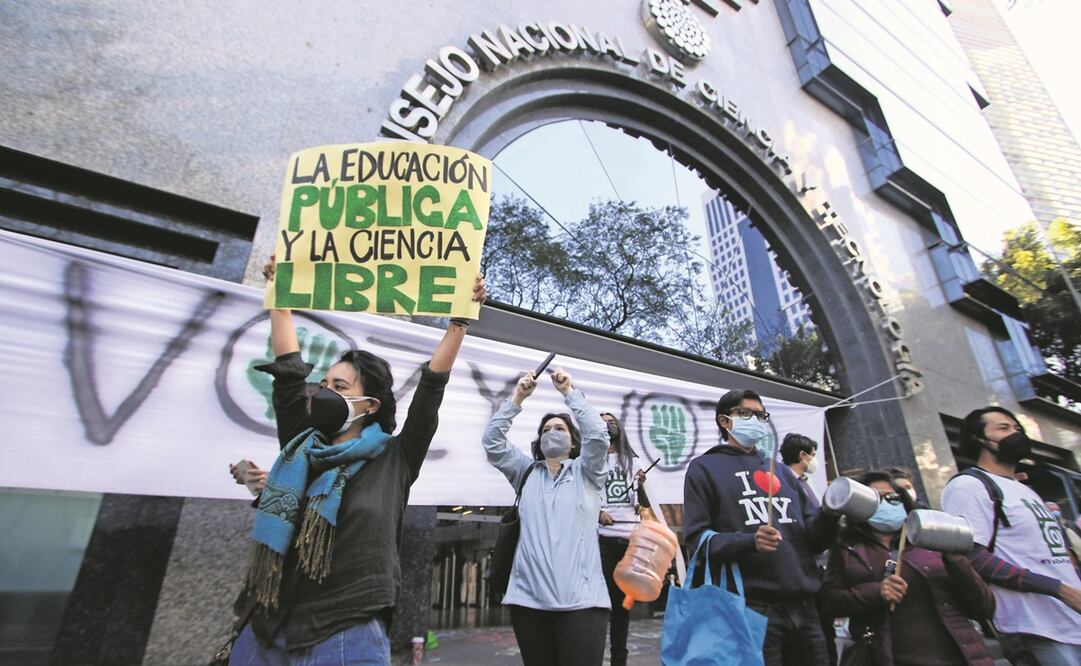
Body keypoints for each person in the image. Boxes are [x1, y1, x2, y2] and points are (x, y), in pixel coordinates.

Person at [227, 257, 486, 665]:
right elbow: (290, 372)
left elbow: (432, 385)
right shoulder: (301, 444)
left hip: (344, 632)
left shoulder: (396, 456)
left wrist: (459, 321)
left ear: (369, 404)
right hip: (268, 628)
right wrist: (280, 296)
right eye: (324, 383)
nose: (324, 391)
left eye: (339, 386)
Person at [683, 389, 840, 666]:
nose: (755, 420)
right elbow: (697, 540)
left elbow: (814, 539)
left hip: (805, 606)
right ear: (724, 421)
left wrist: (830, 515)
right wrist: (748, 542)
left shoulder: (781, 472)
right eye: (746, 414)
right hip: (748, 608)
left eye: (761, 415)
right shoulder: (704, 468)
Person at [481, 367, 611, 666]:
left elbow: (599, 436)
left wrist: (569, 392)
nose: (551, 432)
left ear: (574, 442)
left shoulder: (588, 473)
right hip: (528, 603)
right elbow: (492, 441)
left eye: (560, 429)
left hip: (583, 604)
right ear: (538, 442)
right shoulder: (525, 472)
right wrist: (518, 397)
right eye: (546, 430)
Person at [941, 406, 1081, 665]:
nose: (1015, 433)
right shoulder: (969, 486)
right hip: (1037, 629)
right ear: (978, 439)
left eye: (1016, 428)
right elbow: (972, 555)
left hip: (1072, 619)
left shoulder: (1024, 489)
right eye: (1003, 428)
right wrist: (1059, 590)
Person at [822, 470, 996, 665]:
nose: (885, 503)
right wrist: (876, 592)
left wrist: (957, 562)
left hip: (959, 656)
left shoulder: (931, 542)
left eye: (893, 498)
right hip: (888, 656)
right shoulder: (847, 549)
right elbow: (829, 602)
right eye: (875, 499)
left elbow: (984, 607)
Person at [779, 433, 837, 666]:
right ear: (802, 455)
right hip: (800, 570)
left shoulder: (806, 483)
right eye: (813, 455)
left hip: (820, 569)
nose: (816, 461)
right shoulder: (781, 484)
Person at [597, 412, 640, 666]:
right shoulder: (592, 459)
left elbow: (641, 503)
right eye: (601, 420)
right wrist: (598, 512)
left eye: (610, 420)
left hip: (629, 539)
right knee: (602, 604)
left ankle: (618, 660)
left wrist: (642, 486)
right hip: (602, 540)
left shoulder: (632, 461)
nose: (607, 424)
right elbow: (586, 494)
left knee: (622, 607)